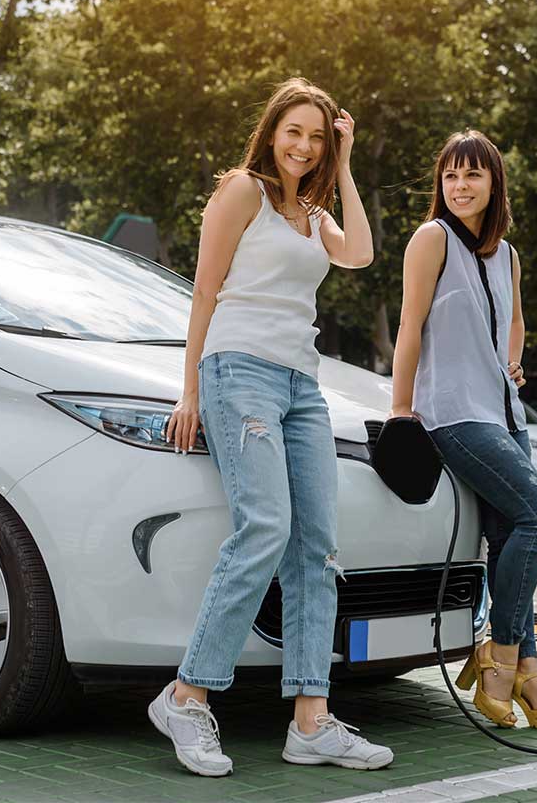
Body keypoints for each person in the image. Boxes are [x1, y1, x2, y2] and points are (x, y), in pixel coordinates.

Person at [148, 78, 393, 776]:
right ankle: (186, 695)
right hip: (239, 370)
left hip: (300, 384)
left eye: (318, 137)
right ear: (272, 130)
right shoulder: (241, 192)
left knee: (317, 547)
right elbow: (203, 286)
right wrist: (189, 387)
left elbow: (363, 253)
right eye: (296, 132)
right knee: (265, 527)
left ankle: (311, 721)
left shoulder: (315, 215)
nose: (305, 146)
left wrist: (346, 164)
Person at [390, 130, 537, 732]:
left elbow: (514, 322)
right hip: (453, 411)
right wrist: (400, 409)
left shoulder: (508, 255)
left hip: (506, 415)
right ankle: (501, 659)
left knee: (512, 547)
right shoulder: (431, 239)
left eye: (472, 176)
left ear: (494, 183)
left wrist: (512, 364)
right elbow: (409, 326)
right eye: (450, 176)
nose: (460, 187)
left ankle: (524, 674)